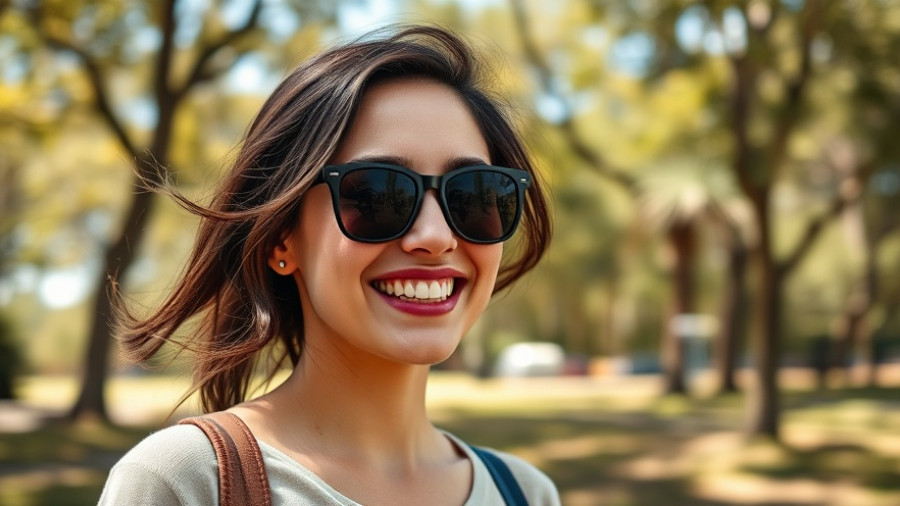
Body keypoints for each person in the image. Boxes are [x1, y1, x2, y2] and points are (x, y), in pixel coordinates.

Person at [98, 24, 557, 505]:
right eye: (377, 194)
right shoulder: (187, 481)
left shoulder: (525, 492)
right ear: (281, 239)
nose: (436, 237)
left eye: (475, 197)